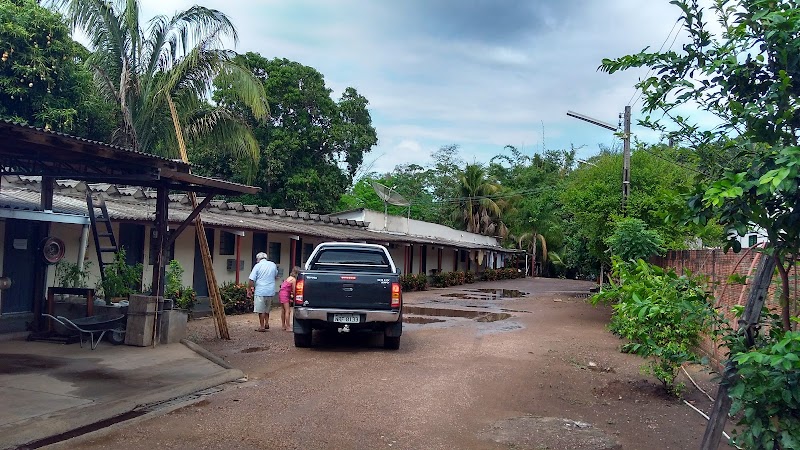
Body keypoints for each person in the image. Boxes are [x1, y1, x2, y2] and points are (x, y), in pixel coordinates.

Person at [248, 252, 277, 332]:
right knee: (267, 308)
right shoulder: (273, 265)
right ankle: (267, 323)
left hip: (260, 290)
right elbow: (275, 275)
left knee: (261, 310)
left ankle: (262, 326)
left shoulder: (257, 266)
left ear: (258, 259)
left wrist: (249, 289)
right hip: (270, 290)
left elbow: (251, 279)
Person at [278, 266, 300, 331]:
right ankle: (288, 327)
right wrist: (295, 297)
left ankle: (283, 326)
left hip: (281, 293)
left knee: (283, 310)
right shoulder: (293, 280)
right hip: (285, 295)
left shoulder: (289, 278)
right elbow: (294, 290)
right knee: (288, 311)